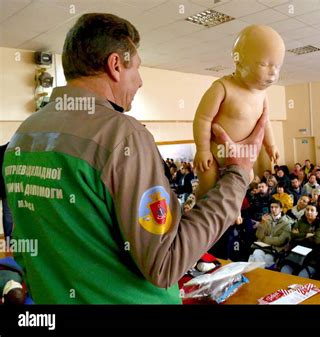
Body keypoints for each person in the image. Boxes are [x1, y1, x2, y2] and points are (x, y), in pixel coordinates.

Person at [3, 13, 267, 304]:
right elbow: (165, 264)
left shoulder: (23, 135)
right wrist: (239, 173)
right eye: (137, 69)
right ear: (115, 65)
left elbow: (26, 249)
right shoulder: (121, 136)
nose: (139, 82)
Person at [193, 24, 285, 199]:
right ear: (238, 60)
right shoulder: (223, 87)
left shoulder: (262, 94)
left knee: (247, 179)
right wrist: (202, 149)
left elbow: (264, 122)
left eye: (277, 66)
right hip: (215, 153)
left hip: (243, 158)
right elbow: (202, 119)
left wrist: (270, 145)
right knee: (208, 180)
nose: (273, 73)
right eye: (264, 64)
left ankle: (235, 210)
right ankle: (200, 206)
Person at [248, 200, 292, 268]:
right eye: (271, 207)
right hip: (262, 248)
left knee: (254, 259)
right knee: (257, 253)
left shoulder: (287, 222)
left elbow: (280, 241)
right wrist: (262, 223)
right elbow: (258, 235)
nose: (273, 209)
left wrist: (264, 238)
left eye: (276, 207)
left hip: (274, 251)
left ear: (281, 209)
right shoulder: (266, 219)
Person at [0, 142, 14, 244]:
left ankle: (9, 240)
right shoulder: (11, 153)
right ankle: (9, 241)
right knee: (8, 215)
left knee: (8, 215)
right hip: (6, 188)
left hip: (5, 187)